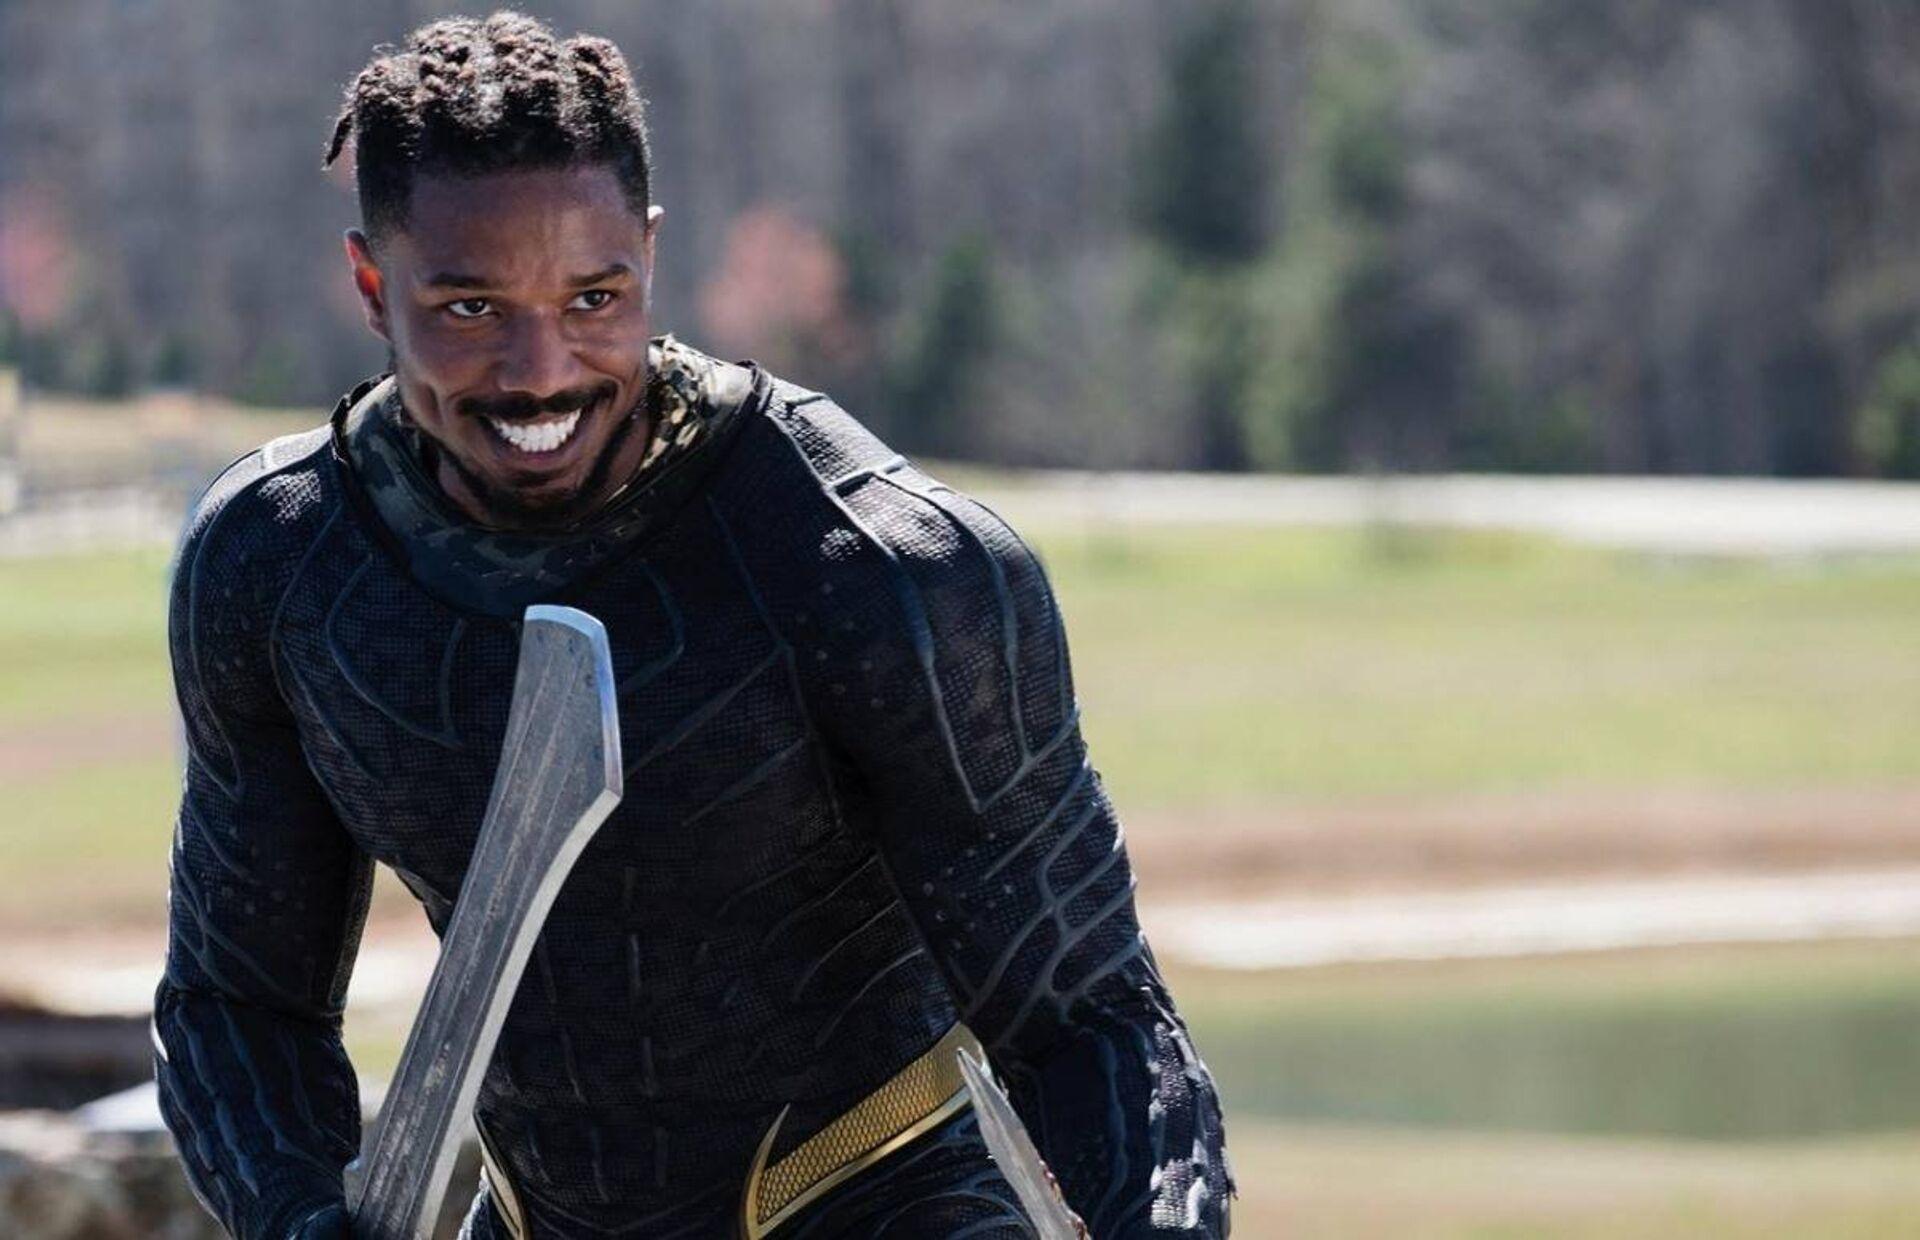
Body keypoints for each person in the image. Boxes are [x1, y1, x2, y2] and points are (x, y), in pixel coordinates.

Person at [152, 11, 1232, 1238]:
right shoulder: (283, 563)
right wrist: (296, 1215)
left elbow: (1088, 1015)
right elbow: (238, 1004)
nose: (542, 371)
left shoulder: (878, 566)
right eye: (471, 309)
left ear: (651, 257)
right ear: (370, 286)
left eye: (594, 297)